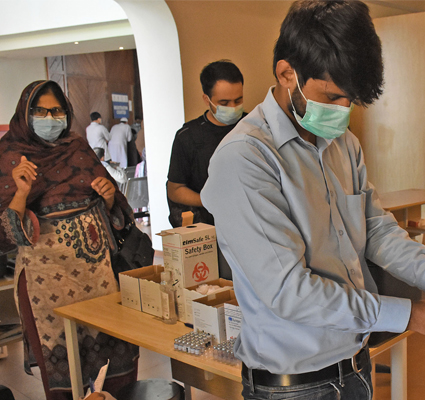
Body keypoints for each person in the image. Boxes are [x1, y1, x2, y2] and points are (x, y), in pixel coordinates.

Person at [201, 2, 425, 399]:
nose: (342, 112)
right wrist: (411, 314)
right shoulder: (245, 158)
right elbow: (289, 292)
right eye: (331, 96)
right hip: (293, 386)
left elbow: (377, 231)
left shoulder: (341, 144)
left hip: (354, 365)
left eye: (351, 101)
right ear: (286, 73)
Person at [0, 80, 139, 398]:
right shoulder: (9, 156)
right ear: (26, 112)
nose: (51, 117)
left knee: (111, 357)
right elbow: (6, 235)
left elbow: (116, 212)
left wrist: (106, 199)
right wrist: (22, 192)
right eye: (41, 110)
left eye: (58, 110)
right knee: (65, 368)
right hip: (47, 287)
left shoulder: (76, 146)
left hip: (99, 277)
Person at [167, 60, 246, 228]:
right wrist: (210, 201)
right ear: (207, 99)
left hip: (249, 224)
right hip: (208, 230)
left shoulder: (254, 126)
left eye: (238, 100)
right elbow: (175, 190)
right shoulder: (188, 137)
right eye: (224, 103)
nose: (233, 107)